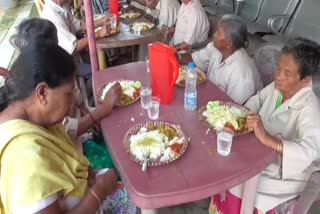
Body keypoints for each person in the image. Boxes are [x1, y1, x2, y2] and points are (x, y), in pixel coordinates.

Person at [0, 40, 119, 213]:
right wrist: (99, 191)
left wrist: (86, 180)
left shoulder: (33, 121)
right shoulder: (24, 155)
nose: (72, 102)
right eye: (68, 93)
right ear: (42, 93)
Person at [209, 38, 320, 213]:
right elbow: (257, 100)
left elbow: (308, 151)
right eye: (278, 68)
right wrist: (244, 117)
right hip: (258, 149)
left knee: (240, 184)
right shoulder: (278, 88)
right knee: (224, 166)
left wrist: (267, 139)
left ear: (306, 80)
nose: (278, 76)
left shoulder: (310, 108)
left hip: (285, 171)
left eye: (287, 73)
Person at [178, 15, 262, 104]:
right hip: (210, 98)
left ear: (229, 43)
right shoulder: (216, 48)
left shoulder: (241, 73)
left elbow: (233, 109)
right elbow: (194, 59)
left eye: (218, 32)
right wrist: (175, 56)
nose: (214, 34)